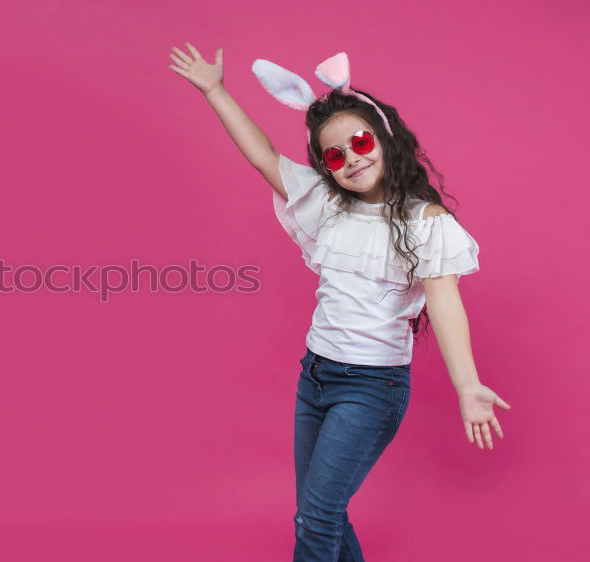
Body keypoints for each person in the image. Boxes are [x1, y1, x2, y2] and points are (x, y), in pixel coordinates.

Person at [169, 45, 512, 561]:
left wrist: (467, 385)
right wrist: (216, 90)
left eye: (359, 142)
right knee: (317, 510)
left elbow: (444, 304)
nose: (352, 158)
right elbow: (262, 155)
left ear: (384, 139)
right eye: (335, 154)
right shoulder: (328, 206)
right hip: (316, 376)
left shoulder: (426, 223)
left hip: (373, 387)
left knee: (318, 515)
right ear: (325, 166)